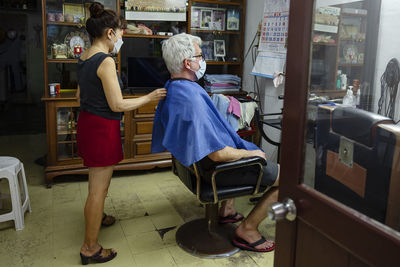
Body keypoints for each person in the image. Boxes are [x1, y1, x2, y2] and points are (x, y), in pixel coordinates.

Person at [151, 33, 279, 253]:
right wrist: (251, 155)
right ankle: (247, 229)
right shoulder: (191, 98)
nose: (203, 61)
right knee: (284, 178)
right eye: (200, 56)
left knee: (242, 144)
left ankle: (227, 209)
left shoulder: (174, 88)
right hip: (214, 169)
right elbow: (218, 154)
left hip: (195, 168)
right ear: (187, 63)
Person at [76, 2, 166, 264]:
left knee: (98, 186)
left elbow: (81, 95)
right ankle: (90, 248)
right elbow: (118, 105)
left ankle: (99, 217)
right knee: (97, 190)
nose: (122, 38)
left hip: (88, 123)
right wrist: (150, 97)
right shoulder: (105, 61)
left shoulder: (83, 57)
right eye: (121, 33)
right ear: (109, 34)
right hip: (102, 128)